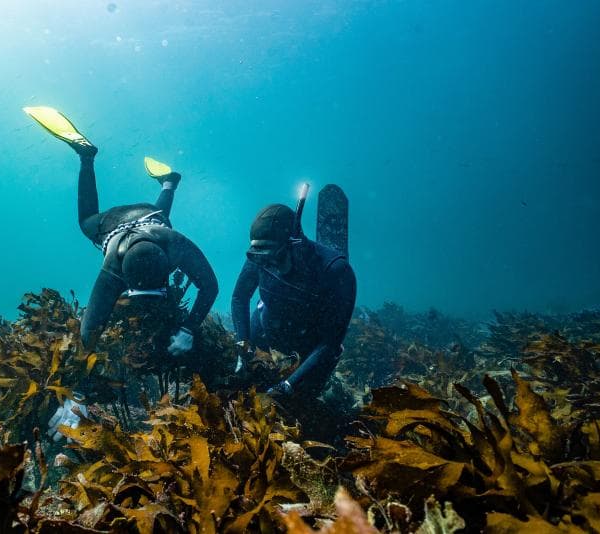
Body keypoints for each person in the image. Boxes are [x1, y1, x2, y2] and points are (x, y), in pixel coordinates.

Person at [25, 106, 218, 440]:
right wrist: (76, 397)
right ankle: (92, 159)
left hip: (152, 218)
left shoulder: (176, 245)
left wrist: (189, 328)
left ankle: (155, 178)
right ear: (122, 284)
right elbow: (90, 332)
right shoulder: (112, 268)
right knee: (87, 222)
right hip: (112, 225)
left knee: (159, 218)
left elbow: (211, 287)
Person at [231, 187, 356, 401]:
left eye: (275, 257)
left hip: (313, 343)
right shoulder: (261, 256)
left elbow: (330, 341)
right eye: (260, 257)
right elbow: (239, 297)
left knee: (301, 403)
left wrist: (289, 385)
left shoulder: (336, 271)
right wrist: (243, 344)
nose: (269, 264)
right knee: (244, 385)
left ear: (294, 244)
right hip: (268, 323)